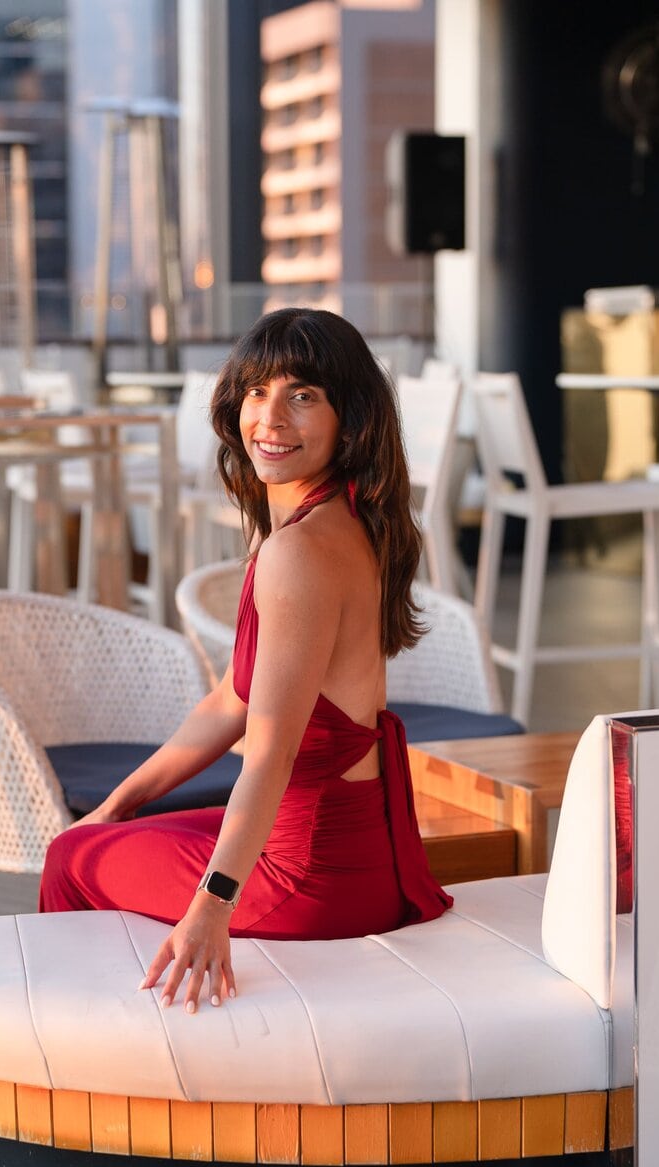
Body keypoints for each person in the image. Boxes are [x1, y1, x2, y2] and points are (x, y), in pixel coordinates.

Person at [39, 308, 452, 1011]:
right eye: (258, 391)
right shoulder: (338, 519)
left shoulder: (299, 552)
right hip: (353, 853)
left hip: (308, 874)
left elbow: (269, 756)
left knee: (67, 859)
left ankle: (79, 1037)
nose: (271, 417)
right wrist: (115, 806)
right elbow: (231, 702)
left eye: (303, 395)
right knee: (105, 835)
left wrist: (214, 904)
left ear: (350, 419)